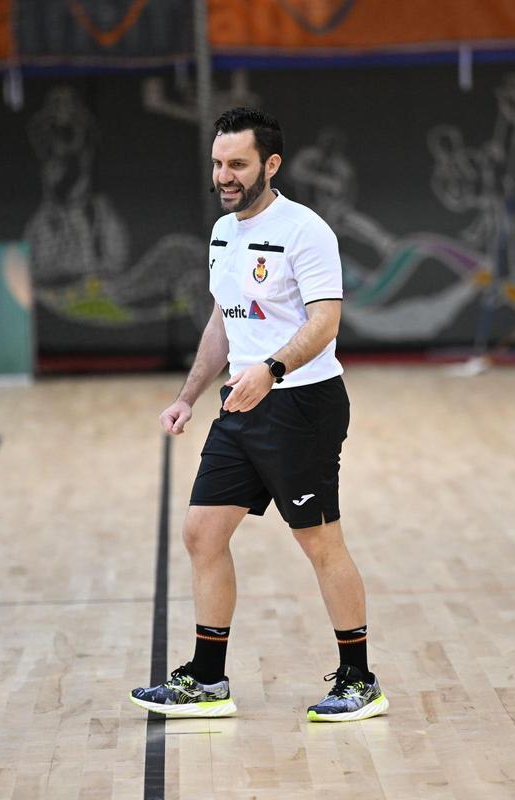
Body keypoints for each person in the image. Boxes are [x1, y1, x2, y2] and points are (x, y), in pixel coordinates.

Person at [129, 107, 386, 722]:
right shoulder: (223, 233)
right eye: (219, 164)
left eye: (238, 164)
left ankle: (360, 679)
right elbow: (223, 320)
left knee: (319, 540)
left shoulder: (306, 230)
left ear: (270, 165)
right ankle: (208, 680)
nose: (225, 176)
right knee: (201, 533)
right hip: (240, 404)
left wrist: (271, 371)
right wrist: (189, 395)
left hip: (301, 404)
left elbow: (325, 320)